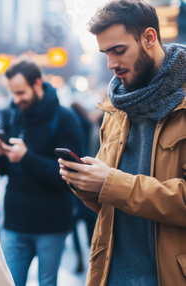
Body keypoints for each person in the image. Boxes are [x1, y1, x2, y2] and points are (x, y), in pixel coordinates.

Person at [58, 1, 186, 285]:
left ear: (149, 38)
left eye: (118, 50)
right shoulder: (115, 107)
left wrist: (111, 183)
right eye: (105, 53)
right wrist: (84, 183)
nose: (111, 64)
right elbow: (108, 204)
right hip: (110, 274)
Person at [0, 58, 84, 286]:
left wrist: (26, 157)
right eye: (13, 93)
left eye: (21, 92)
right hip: (15, 222)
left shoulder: (64, 119)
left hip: (51, 224)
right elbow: (7, 171)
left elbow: (72, 176)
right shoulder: (14, 114)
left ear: (37, 83)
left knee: (47, 282)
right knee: (9, 282)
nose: (16, 99)